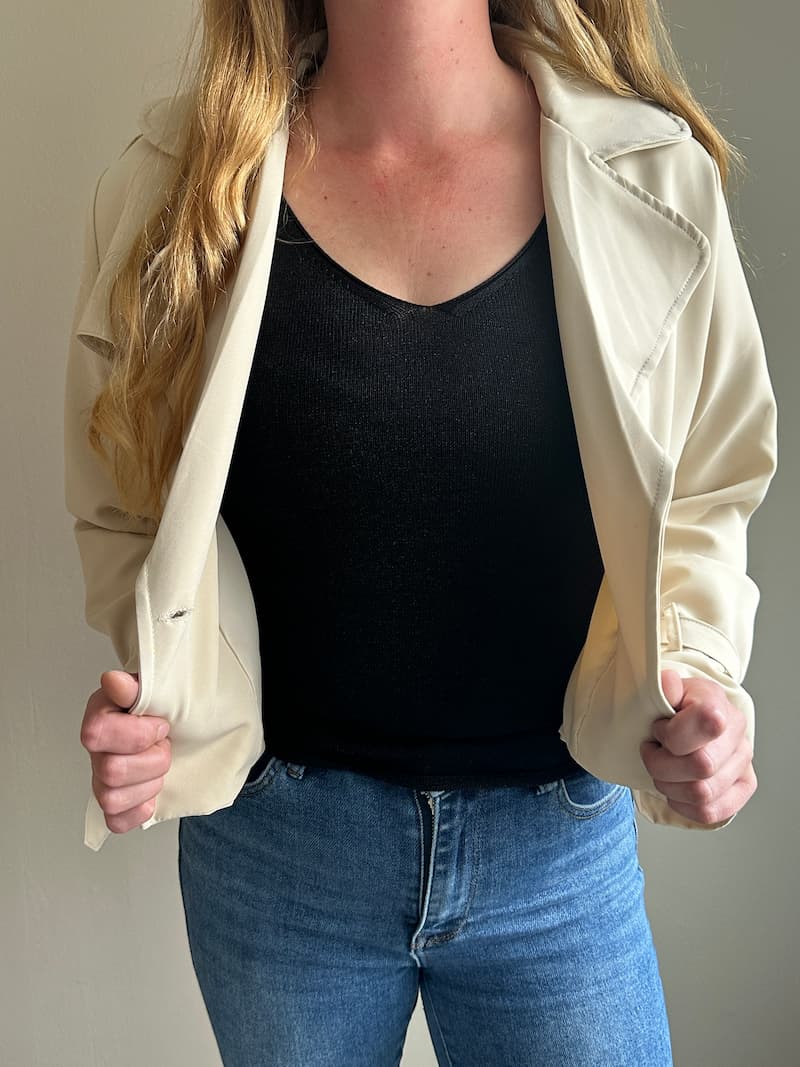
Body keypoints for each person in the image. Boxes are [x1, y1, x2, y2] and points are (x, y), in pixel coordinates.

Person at [66, 2, 778, 1064]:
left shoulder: (653, 176)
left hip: (556, 851)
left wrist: (697, 672)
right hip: (276, 858)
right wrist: (160, 687)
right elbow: (127, 501)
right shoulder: (173, 188)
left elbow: (706, 491)